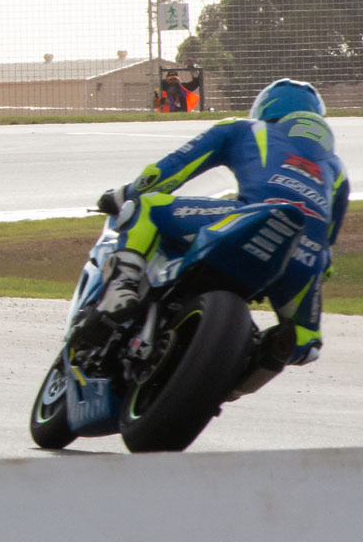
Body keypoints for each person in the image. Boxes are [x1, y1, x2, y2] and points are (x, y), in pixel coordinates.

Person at [93, 79, 349, 366]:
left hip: (249, 219)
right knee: (305, 343)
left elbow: (167, 172)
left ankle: (121, 287)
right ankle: (254, 359)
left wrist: (124, 194)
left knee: (148, 207)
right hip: (304, 260)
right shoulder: (337, 168)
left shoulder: (243, 128)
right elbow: (327, 248)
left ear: (265, 108)